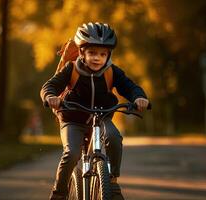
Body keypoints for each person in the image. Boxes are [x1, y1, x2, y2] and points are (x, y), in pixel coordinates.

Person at [41, 22, 149, 200]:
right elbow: (50, 85)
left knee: (114, 137)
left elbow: (130, 87)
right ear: (82, 52)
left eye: (102, 54)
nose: (97, 58)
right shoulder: (72, 69)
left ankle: (112, 182)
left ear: (109, 55)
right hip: (72, 118)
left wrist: (139, 97)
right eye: (92, 53)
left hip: (101, 117)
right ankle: (59, 192)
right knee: (72, 153)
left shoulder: (112, 72)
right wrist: (50, 96)